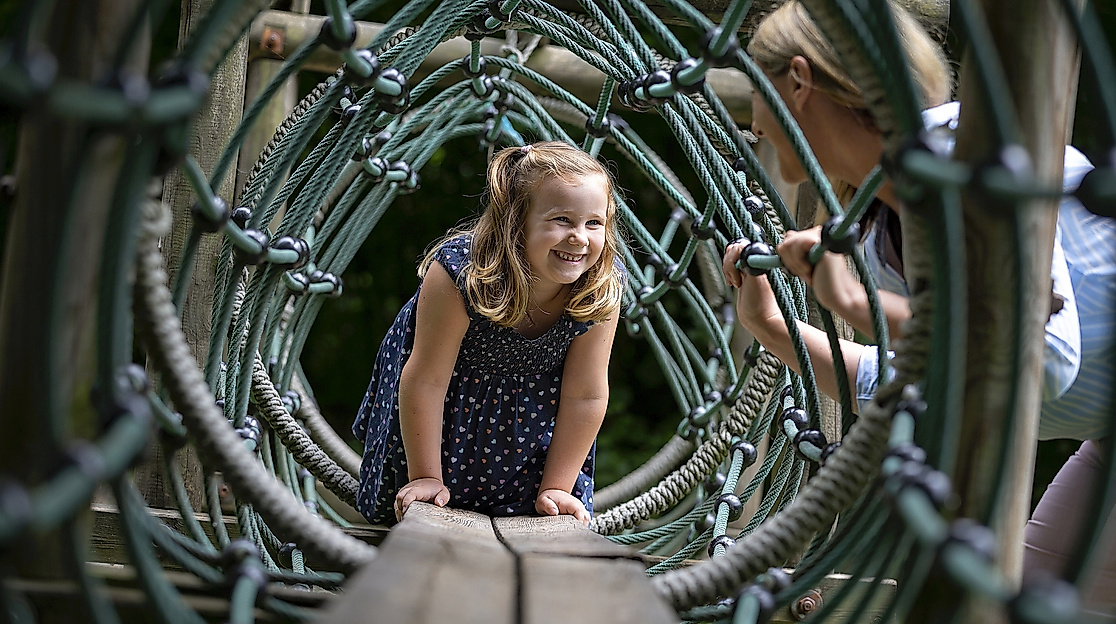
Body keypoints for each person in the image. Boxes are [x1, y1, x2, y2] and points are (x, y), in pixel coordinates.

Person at [721, 0, 1116, 613]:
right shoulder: (882, 226)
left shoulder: (964, 158)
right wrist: (774, 327)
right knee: (1003, 604)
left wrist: (853, 302)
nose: (753, 121)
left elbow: (1040, 358)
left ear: (797, 82)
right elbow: (930, 373)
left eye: (755, 89)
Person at [352, 141, 625, 527]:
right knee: (422, 506)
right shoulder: (462, 272)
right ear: (516, 223)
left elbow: (586, 394)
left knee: (536, 515)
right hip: (442, 405)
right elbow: (426, 379)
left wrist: (558, 487)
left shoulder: (597, 287)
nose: (579, 237)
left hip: (529, 418)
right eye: (562, 220)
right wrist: (425, 476)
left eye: (593, 223)